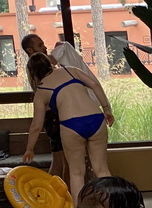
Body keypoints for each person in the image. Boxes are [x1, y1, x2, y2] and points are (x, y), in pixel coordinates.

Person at [22, 52, 114, 208]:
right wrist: (107, 109)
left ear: (32, 73)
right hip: (96, 119)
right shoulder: (70, 70)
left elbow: (36, 126)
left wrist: (30, 149)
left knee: (77, 173)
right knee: (102, 170)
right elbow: (95, 84)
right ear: (48, 63)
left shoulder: (41, 91)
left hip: (72, 124)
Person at [19, 35, 104, 183]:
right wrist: (62, 48)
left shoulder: (36, 71)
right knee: (65, 163)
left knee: (61, 161)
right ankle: (60, 196)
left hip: (56, 119)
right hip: (56, 118)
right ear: (30, 50)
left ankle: (55, 194)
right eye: (40, 45)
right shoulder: (41, 68)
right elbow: (35, 125)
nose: (45, 48)